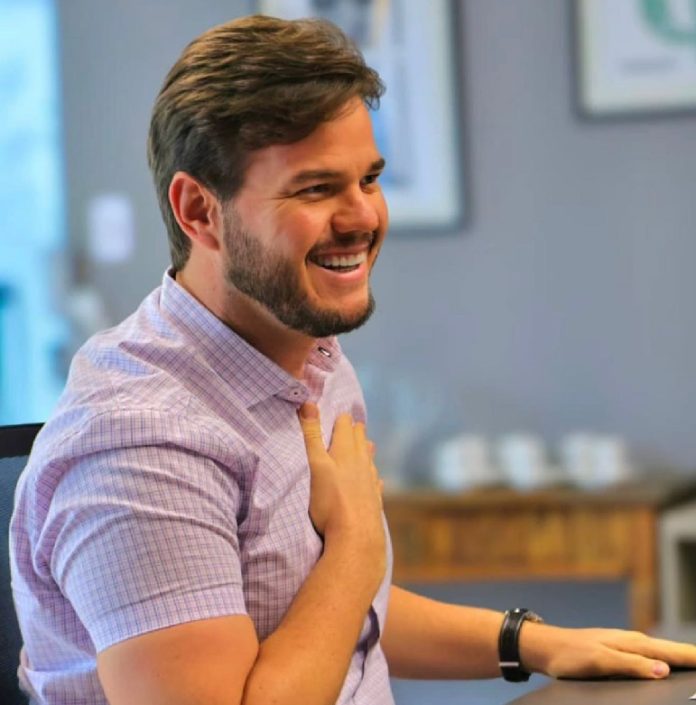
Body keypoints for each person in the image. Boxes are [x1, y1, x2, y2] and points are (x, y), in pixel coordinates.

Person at [10, 14, 696, 705]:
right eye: (315, 188)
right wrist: (355, 549)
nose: (363, 217)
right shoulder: (136, 442)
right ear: (199, 211)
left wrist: (532, 642)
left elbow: (338, 619)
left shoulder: (310, 354)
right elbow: (337, 591)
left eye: (369, 179)